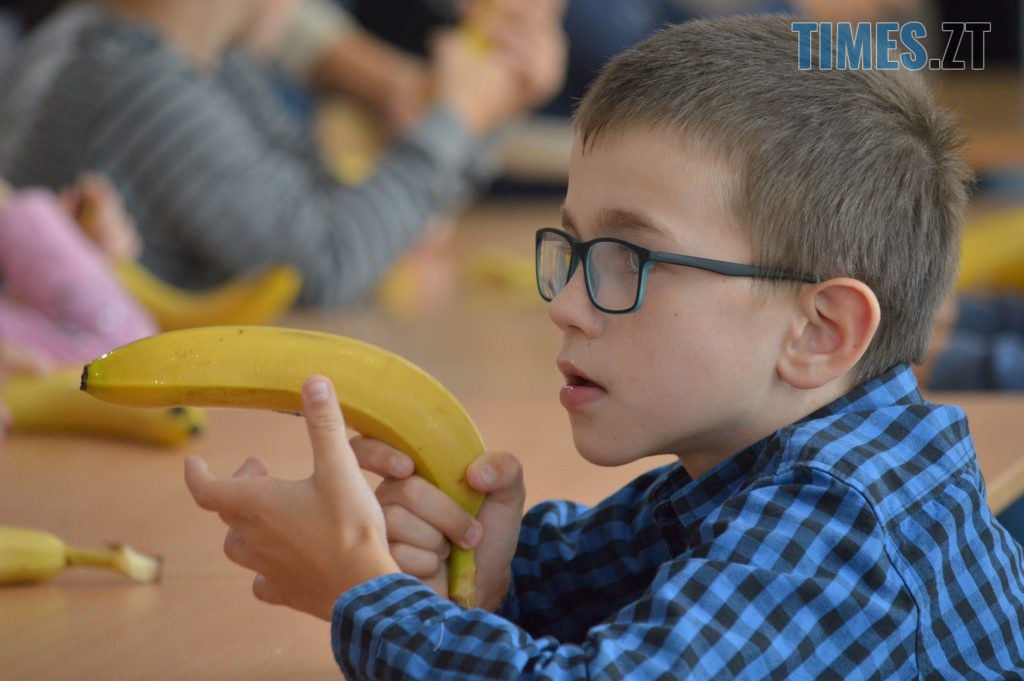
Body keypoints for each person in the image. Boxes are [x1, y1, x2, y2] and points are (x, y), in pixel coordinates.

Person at [183, 16, 1024, 678]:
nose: (565, 305)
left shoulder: (841, 525)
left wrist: (360, 591)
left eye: (630, 258)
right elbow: (593, 575)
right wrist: (492, 569)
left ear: (819, 332)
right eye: (575, 247)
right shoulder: (742, 467)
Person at [0, 0, 566, 307]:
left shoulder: (213, 66)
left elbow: (347, 219)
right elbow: (324, 265)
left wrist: (486, 104)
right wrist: (458, 116)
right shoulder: (135, 83)